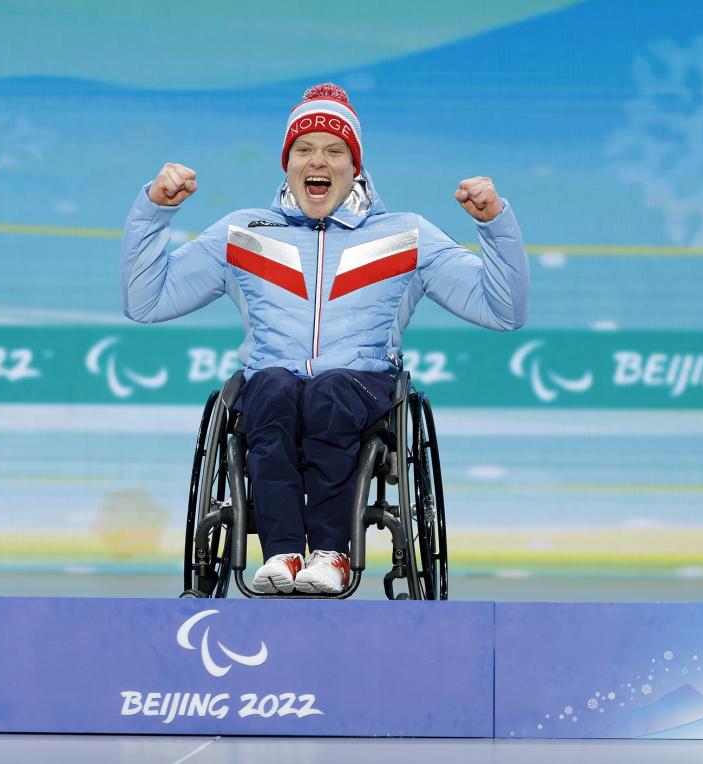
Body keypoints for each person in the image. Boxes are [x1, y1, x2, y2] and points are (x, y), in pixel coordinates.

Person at [122, 84, 529, 595]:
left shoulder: (405, 235)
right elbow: (145, 301)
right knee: (269, 388)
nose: (320, 160)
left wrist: (494, 225)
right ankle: (284, 554)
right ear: (287, 163)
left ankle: (333, 554)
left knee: (329, 392)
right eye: (304, 149)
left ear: (354, 165)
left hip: (360, 387)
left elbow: (504, 310)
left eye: (335, 150)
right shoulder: (244, 233)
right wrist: (155, 211)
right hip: (274, 384)